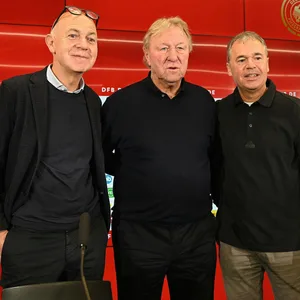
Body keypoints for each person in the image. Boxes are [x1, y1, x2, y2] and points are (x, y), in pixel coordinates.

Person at [102, 16, 217, 300]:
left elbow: (214, 157)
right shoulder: (120, 104)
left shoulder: (205, 103)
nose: (173, 56)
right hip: (138, 235)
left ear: (189, 52)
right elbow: (101, 157)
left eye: (180, 47)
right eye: (163, 48)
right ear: (147, 56)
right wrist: (138, 172)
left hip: (196, 235)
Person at [0, 6, 110, 288]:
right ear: (50, 43)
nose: (83, 45)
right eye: (72, 35)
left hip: (86, 240)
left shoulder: (94, 102)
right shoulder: (16, 92)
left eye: (91, 38)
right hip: (29, 239)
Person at [216, 31, 300, 299]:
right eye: (240, 59)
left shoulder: (295, 111)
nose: (250, 65)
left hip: (289, 247)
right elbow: (214, 169)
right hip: (235, 246)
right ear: (229, 68)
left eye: (256, 57)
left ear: (268, 62)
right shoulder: (218, 113)